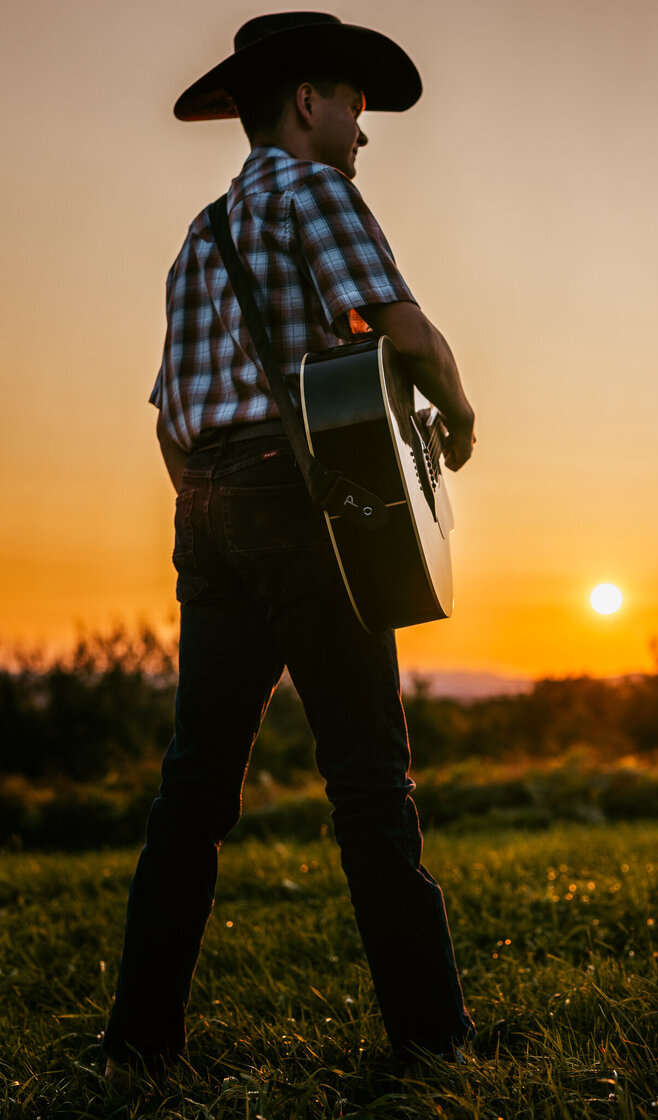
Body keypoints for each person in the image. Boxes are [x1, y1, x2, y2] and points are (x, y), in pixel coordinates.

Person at [103, 11, 477, 1079]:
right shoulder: (315, 192)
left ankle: (138, 1040)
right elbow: (403, 331)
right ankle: (431, 1040)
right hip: (299, 509)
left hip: (206, 512)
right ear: (309, 101)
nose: (363, 128)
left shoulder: (201, 232)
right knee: (368, 778)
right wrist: (457, 415)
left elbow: (170, 411)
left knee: (193, 789)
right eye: (354, 103)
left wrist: (214, 510)